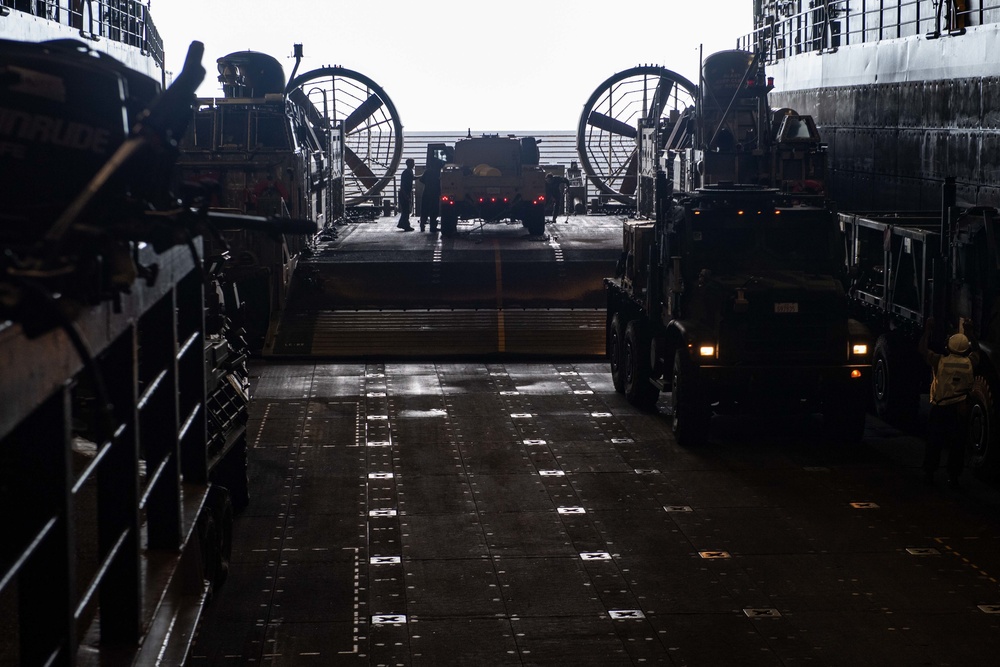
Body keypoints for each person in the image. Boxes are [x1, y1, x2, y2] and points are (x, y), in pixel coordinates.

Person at [918, 316, 980, 488]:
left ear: (948, 346)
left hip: (939, 408)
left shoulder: (940, 361)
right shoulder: (970, 363)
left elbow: (922, 349)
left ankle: (929, 473)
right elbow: (977, 351)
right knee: (957, 445)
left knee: (934, 442)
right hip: (959, 408)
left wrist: (928, 330)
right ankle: (953, 477)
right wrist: (970, 333)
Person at [419, 158, 442, 233]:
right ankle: (432, 227)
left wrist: (428, 183)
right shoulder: (438, 172)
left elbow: (421, 179)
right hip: (434, 194)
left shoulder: (427, 171)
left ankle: (422, 226)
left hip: (426, 193)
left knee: (424, 210)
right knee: (434, 211)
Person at [396, 158, 415, 231]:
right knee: (406, 210)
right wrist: (406, 195)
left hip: (405, 193)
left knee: (405, 210)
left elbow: (413, 178)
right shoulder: (406, 173)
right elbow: (402, 185)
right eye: (412, 163)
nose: (414, 164)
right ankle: (406, 226)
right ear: (409, 164)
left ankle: (401, 223)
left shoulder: (408, 172)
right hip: (405, 193)